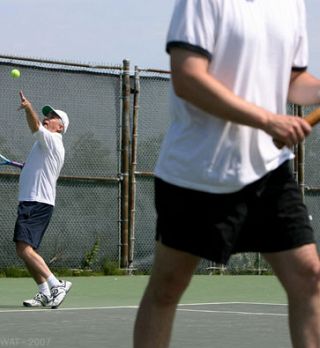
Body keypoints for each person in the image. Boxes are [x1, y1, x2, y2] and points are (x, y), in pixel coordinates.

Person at [134, 0, 320, 347]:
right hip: (198, 171)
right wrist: (267, 120)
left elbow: (293, 79)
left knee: (308, 275)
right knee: (167, 286)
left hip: (268, 168)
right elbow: (188, 77)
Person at [14, 90, 72, 309]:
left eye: (53, 116)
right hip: (32, 201)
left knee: (24, 250)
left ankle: (57, 284)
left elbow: (35, 126)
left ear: (60, 127)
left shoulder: (53, 140)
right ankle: (44, 292)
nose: (48, 117)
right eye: (47, 114)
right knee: (26, 250)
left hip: (37, 202)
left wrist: (29, 108)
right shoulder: (43, 145)